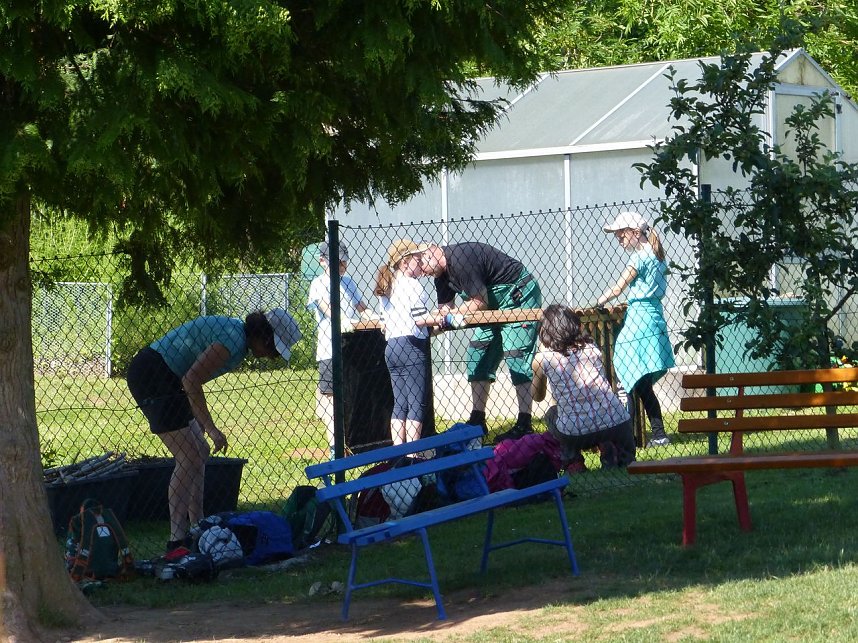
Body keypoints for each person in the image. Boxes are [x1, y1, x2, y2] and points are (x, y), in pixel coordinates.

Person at [126, 309, 301, 553]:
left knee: (200, 451)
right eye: (274, 349)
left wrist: (202, 425)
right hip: (152, 375)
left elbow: (188, 382)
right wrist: (210, 427)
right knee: (189, 457)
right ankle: (176, 540)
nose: (272, 357)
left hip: (170, 379)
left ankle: (198, 526)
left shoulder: (237, 342)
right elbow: (191, 381)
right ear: (265, 337)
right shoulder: (232, 341)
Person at [418, 241, 541, 443]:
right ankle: (477, 420)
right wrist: (425, 331)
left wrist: (449, 317)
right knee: (477, 354)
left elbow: (478, 301)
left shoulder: (460, 258)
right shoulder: (440, 278)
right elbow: (445, 313)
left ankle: (524, 423)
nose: (422, 272)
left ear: (433, 251)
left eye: (421, 264)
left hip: (518, 296)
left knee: (515, 354)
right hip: (489, 309)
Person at [597, 210, 675, 447]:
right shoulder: (658, 256)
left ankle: (625, 438)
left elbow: (619, 288)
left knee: (624, 370)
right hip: (655, 318)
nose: (619, 239)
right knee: (641, 381)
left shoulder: (638, 258)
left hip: (638, 320)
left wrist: (600, 302)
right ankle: (659, 434)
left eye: (621, 234)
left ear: (634, 232)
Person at [531, 304, 636, 469]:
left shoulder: (542, 358)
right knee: (601, 408)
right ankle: (615, 455)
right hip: (616, 422)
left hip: (574, 433)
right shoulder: (591, 347)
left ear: (544, 331)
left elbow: (537, 396)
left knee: (552, 414)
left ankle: (572, 460)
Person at [307, 241, 369, 454]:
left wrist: (370, 315)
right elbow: (326, 306)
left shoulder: (349, 282)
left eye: (344, 261)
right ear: (322, 261)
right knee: (331, 399)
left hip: (352, 347)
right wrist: (341, 319)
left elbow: (361, 307)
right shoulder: (318, 283)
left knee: (352, 395)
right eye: (337, 261)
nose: (342, 265)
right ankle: (336, 446)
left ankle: (354, 441)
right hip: (329, 349)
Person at [373, 239, 432, 444]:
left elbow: (383, 323)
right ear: (405, 262)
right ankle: (413, 455)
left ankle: (399, 455)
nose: (422, 263)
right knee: (416, 404)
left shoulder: (388, 285)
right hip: (411, 346)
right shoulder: (413, 285)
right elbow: (421, 319)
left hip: (391, 348)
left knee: (400, 403)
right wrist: (445, 318)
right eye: (418, 259)